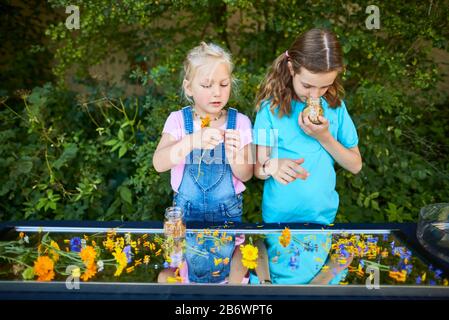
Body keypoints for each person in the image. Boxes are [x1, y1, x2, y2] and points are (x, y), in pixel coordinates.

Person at [153, 41, 253, 283]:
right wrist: (191, 141)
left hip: (226, 224)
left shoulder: (239, 122)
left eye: (223, 84)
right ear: (189, 88)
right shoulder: (178, 121)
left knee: (231, 279)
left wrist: (235, 156)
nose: (216, 92)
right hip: (185, 224)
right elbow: (159, 162)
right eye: (207, 85)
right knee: (167, 279)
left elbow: (247, 174)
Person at [253, 28, 362, 225]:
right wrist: (272, 165)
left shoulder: (336, 108)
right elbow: (258, 168)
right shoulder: (269, 109)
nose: (315, 95)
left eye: (324, 86)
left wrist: (325, 137)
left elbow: (355, 165)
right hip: (278, 219)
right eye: (307, 86)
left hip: (322, 217)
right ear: (291, 68)